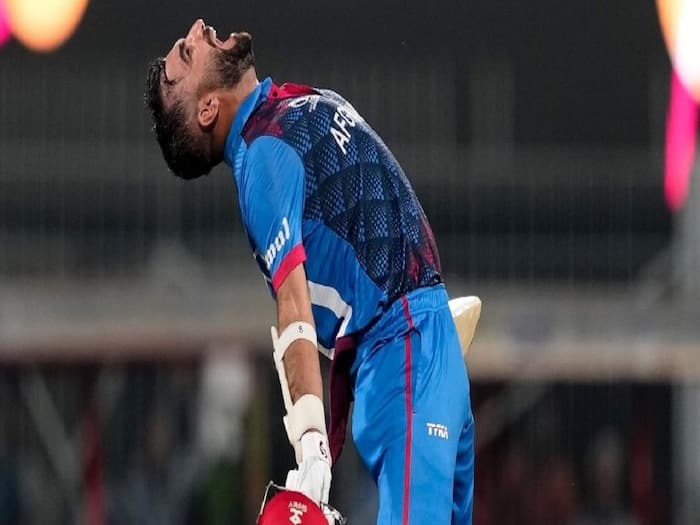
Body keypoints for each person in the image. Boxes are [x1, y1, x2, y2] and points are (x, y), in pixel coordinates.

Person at [145, 19, 474, 524]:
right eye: (187, 54)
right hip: (404, 355)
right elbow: (293, 307)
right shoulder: (262, 163)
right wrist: (311, 443)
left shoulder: (281, 110)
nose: (198, 28)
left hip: (427, 346)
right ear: (208, 108)